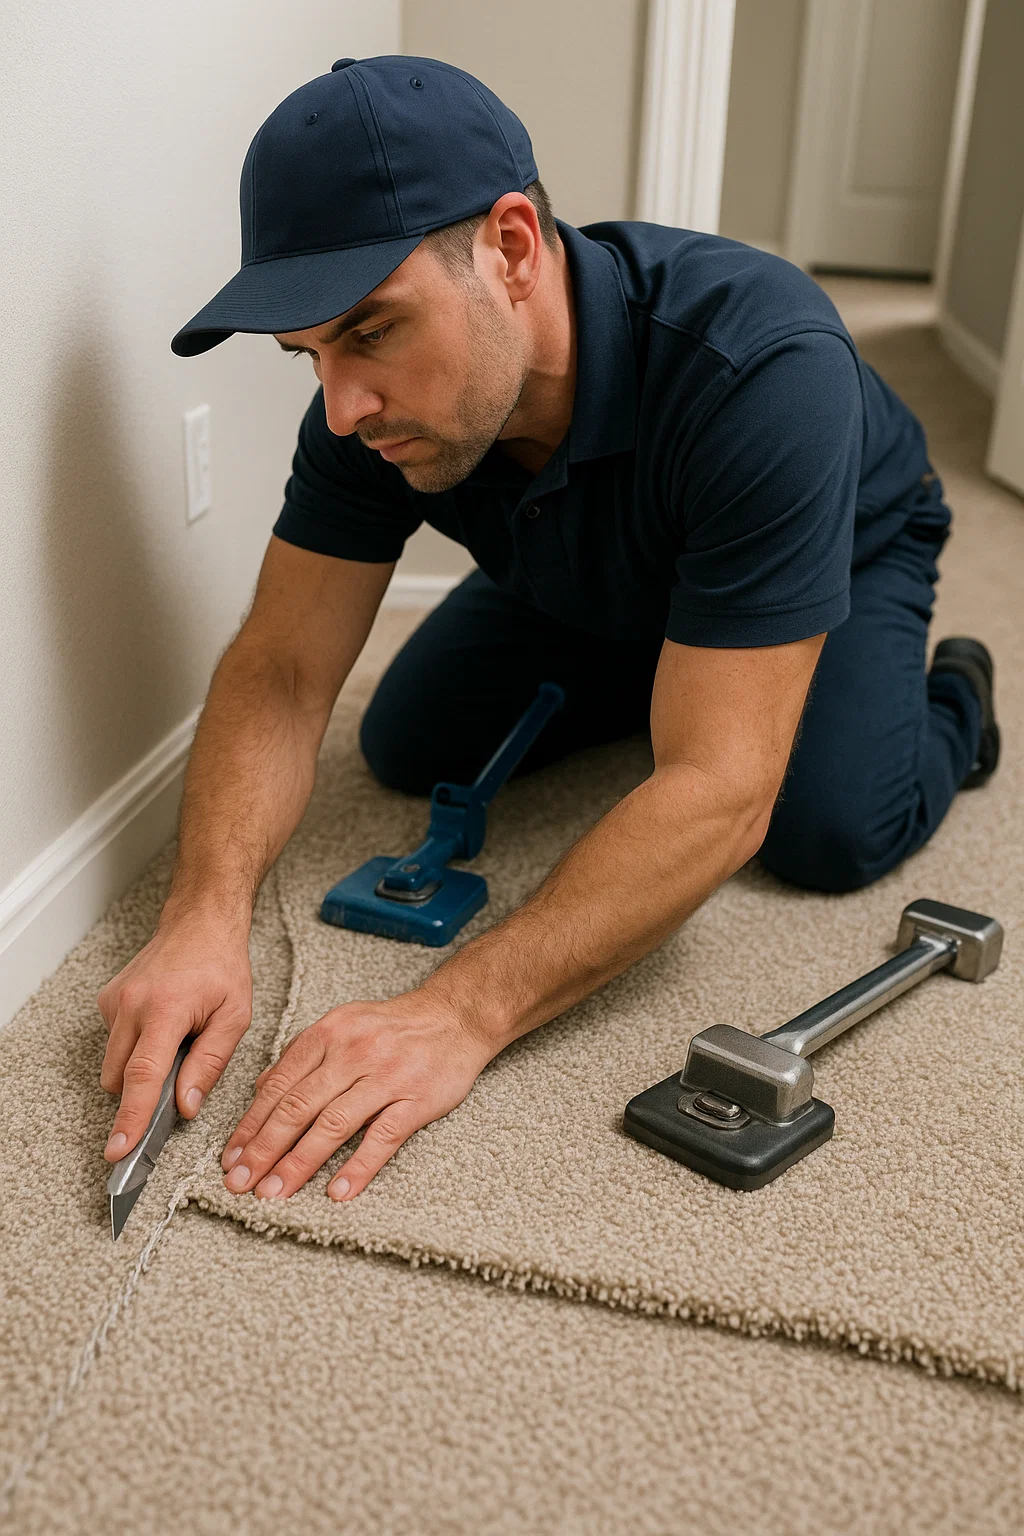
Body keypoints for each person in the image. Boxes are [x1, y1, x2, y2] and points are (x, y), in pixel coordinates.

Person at [98, 55, 1000, 1206]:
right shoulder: (363, 410)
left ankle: (957, 700)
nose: (342, 406)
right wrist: (201, 915)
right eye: (310, 355)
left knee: (819, 830)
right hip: (590, 563)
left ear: (513, 249)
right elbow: (281, 668)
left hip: (843, 546)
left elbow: (720, 790)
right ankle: (679, 656)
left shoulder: (763, 366)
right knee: (408, 745)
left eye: (372, 331)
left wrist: (458, 1012)